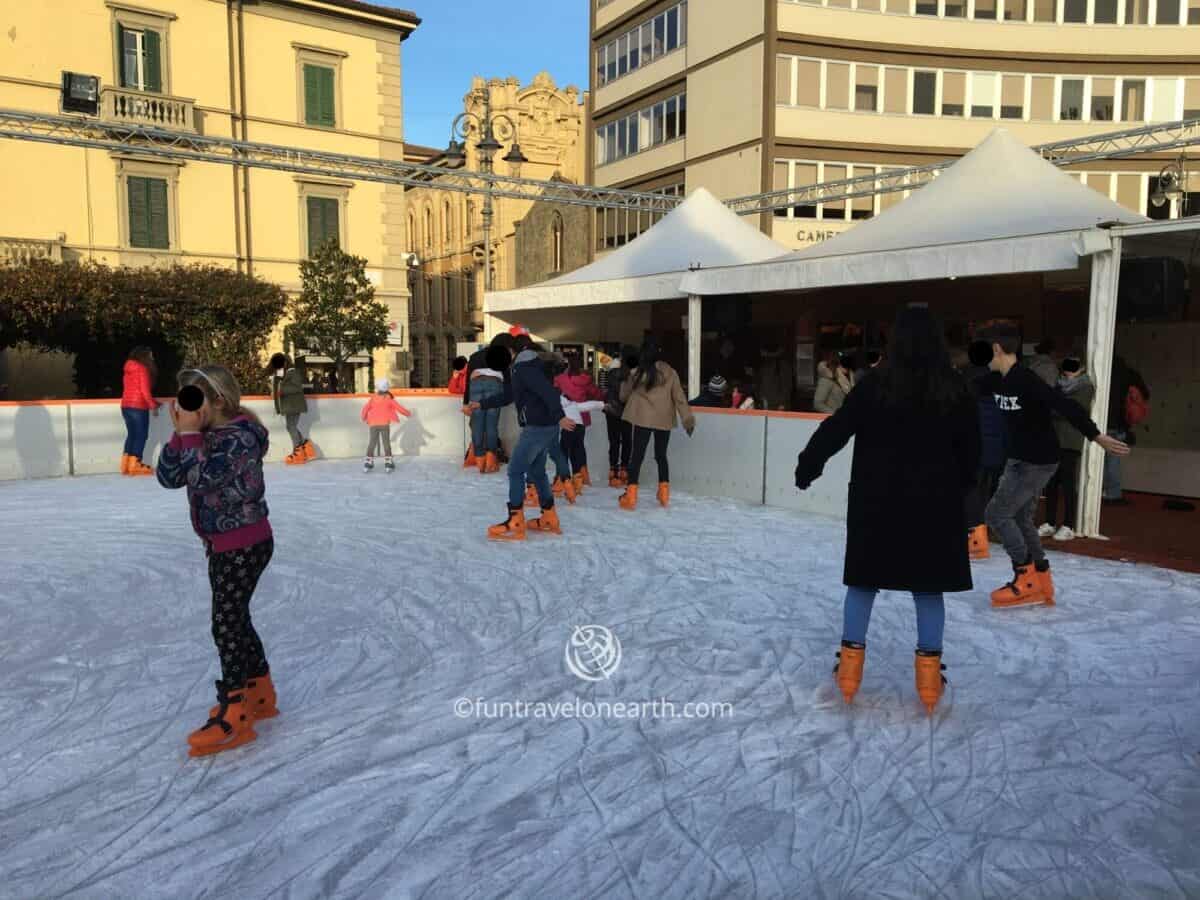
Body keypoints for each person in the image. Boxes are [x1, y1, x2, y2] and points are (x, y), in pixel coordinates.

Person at [793, 307, 981, 716]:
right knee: (928, 587)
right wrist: (966, 493)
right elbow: (972, 452)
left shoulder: (875, 384)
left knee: (863, 582)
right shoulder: (956, 387)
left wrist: (809, 464)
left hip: (877, 502)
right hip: (935, 505)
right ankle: (929, 676)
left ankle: (850, 669)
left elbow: (837, 428)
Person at [156, 365, 277, 757]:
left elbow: (203, 479)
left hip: (243, 543)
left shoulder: (239, 438)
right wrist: (182, 435)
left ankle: (236, 709)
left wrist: (190, 436)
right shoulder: (203, 436)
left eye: (195, 400)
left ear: (219, 401)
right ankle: (260, 693)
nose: (187, 408)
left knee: (225, 623)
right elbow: (169, 478)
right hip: (224, 542)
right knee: (236, 617)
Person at [980, 325, 1129, 608]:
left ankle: (1025, 577)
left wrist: (1096, 435)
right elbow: (961, 390)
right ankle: (1042, 578)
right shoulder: (994, 380)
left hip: (1038, 461)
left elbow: (1065, 405)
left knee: (997, 514)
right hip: (1018, 459)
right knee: (1021, 518)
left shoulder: (1026, 380)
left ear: (997, 349)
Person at [470, 335, 575, 540]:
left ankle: (515, 520)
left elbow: (549, 393)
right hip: (546, 427)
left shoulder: (524, 366)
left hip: (537, 428)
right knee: (537, 471)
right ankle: (549, 516)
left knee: (516, 470)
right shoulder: (527, 365)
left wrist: (560, 416)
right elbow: (510, 395)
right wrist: (482, 404)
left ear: (509, 350)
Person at [619, 339, 695, 510]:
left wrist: (627, 377)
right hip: (663, 419)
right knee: (661, 456)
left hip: (642, 418)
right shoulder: (671, 372)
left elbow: (623, 396)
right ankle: (664, 493)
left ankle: (631, 496)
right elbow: (679, 397)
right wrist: (687, 420)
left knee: (637, 456)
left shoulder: (637, 372)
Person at [1038, 356, 1094, 542]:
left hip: (1071, 441)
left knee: (1068, 483)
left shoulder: (1085, 387)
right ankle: (1050, 522)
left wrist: (1056, 406)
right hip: (1054, 439)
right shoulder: (1058, 385)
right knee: (1051, 482)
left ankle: (1069, 524)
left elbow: (1073, 411)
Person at [962, 340, 1006, 560]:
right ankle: (993, 530)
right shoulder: (1001, 379)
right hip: (999, 446)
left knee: (972, 491)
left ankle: (976, 537)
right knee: (994, 490)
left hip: (975, 446)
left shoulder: (967, 380)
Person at [462, 334, 516, 472]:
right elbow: (508, 379)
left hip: (475, 385)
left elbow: (468, 380)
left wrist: (466, 402)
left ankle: (479, 460)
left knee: (477, 423)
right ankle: (491, 459)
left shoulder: (475, 356)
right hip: (495, 384)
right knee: (491, 424)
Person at [1103, 355, 1150, 505]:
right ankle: (1113, 494)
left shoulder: (1102, 372)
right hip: (1119, 423)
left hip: (1100, 422)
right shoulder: (1130, 374)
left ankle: (1101, 491)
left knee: (1098, 460)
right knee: (1113, 460)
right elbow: (1145, 394)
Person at [554, 354, 605, 490]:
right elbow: (597, 395)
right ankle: (581, 476)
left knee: (564, 449)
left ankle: (561, 477)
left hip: (566, 418)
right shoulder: (586, 380)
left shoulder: (560, 379)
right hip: (582, 418)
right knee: (579, 447)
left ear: (568, 365)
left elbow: (553, 393)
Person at [120, 346, 160, 476]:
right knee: (141, 435)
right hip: (138, 406)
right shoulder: (142, 368)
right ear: (144, 356)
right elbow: (144, 390)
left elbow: (133, 388)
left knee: (132, 435)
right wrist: (153, 406)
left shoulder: (128, 369)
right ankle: (135, 464)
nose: (152, 358)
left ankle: (125, 464)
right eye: (150, 355)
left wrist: (153, 402)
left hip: (126, 405)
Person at [270, 353, 315, 465]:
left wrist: (282, 390)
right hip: (289, 405)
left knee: (291, 427)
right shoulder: (284, 373)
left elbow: (297, 387)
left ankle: (298, 451)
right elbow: (278, 387)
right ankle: (306, 447)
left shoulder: (293, 372)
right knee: (291, 426)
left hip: (295, 405)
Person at [361, 378, 411, 472]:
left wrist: (363, 417)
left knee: (372, 442)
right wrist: (407, 413)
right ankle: (388, 462)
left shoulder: (373, 398)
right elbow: (399, 408)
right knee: (386, 443)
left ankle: (368, 462)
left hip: (373, 424)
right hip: (384, 424)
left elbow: (365, 408)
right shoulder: (389, 399)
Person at [604, 347, 637, 488]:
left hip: (612, 411)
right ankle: (624, 469)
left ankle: (613, 470)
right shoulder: (632, 375)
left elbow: (607, 391)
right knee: (627, 440)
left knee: (614, 441)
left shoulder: (612, 372)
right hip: (626, 412)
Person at [757, 342, 794, 411]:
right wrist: (761, 398)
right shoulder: (764, 366)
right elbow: (761, 384)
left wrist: (782, 403)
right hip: (767, 403)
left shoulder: (782, 366)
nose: (761, 353)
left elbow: (787, 385)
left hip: (778, 404)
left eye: (763, 352)